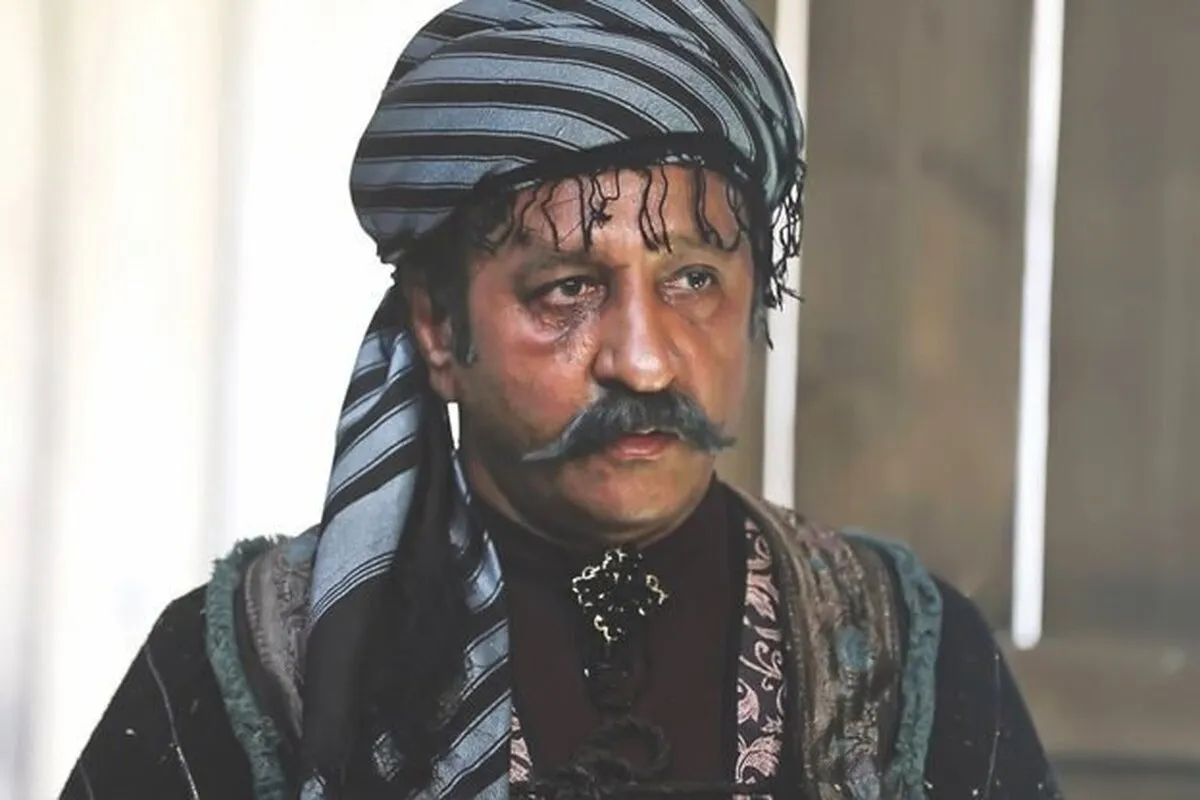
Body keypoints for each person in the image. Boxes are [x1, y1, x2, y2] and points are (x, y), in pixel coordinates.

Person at [60, 2, 1064, 798]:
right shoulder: (253, 662)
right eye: (569, 290)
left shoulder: (902, 654)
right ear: (439, 328)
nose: (645, 363)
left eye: (694, 280)